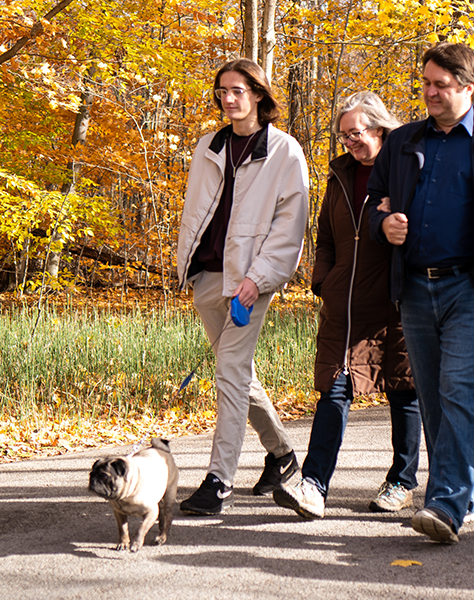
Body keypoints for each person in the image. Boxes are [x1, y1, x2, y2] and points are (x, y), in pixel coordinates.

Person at [366, 42, 474, 544]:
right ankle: (458, 493)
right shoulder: (401, 142)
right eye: (425, 83)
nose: (430, 93)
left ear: (469, 86)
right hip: (416, 287)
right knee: (433, 395)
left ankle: (446, 504)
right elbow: (375, 206)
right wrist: (385, 227)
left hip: (471, 285)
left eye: (440, 85)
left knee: (456, 387)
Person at [272, 92, 422, 519]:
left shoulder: (406, 169)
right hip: (345, 302)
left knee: (403, 389)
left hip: (395, 301)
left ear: (380, 128)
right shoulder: (339, 176)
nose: (350, 143)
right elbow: (326, 237)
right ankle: (314, 485)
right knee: (333, 390)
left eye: (355, 133)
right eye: (344, 136)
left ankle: (402, 481)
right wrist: (325, 281)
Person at [175, 58, 309, 515]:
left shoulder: (284, 151)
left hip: (250, 282)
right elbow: (197, 213)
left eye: (237, 90)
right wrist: (187, 267)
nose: (228, 99)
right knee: (238, 374)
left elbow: (290, 226)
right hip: (207, 275)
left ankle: (219, 483)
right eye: (222, 91)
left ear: (258, 93)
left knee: (229, 374)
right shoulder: (207, 146)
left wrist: (258, 278)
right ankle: (283, 456)